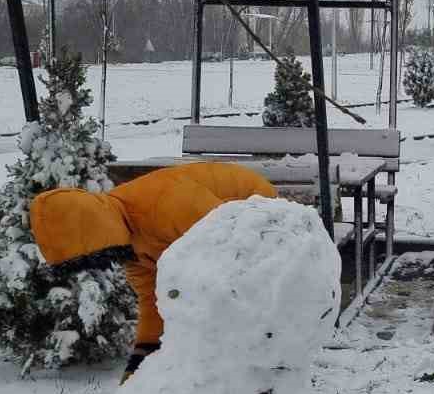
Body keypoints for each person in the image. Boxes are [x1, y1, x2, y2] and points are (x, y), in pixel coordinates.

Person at [29, 162, 278, 380]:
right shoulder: (129, 243)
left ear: (96, 232)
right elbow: (152, 300)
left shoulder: (166, 203)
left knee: (218, 297)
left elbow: (230, 240)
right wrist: (142, 357)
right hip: (227, 234)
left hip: (257, 210)